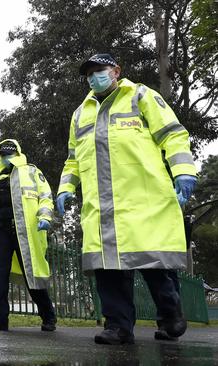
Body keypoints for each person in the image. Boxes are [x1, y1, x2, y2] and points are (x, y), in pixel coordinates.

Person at [56, 53, 198, 345]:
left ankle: (170, 316)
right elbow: (72, 159)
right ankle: (118, 326)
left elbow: (172, 134)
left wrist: (183, 170)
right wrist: (65, 188)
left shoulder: (141, 96)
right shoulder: (81, 113)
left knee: (154, 266)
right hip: (102, 209)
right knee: (109, 271)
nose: (95, 77)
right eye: (90, 73)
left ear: (116, 71)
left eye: (100, 70)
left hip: (145, 202)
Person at [0, 139, 57, 332]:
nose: (6, 158)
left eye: (9, 155)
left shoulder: (31, 171)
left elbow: (46, 195)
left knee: (32, 274)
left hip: (25, 233)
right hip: (0, 232)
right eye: (2, 155)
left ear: (17, 154)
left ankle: (48, 316)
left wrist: (45, 215)